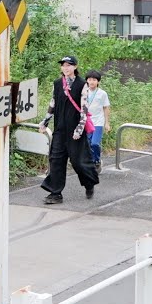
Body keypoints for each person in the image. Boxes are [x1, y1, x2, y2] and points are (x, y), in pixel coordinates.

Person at [38, 55, 100, 203]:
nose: (66, 68)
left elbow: (84, 108)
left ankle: (89, 183)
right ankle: (55, 193)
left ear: (75, 67)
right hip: (60, 129)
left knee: (79, 161)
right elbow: (52, 103)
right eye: (63, 65)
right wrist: (45, 121)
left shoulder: (82, 84)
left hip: (75, 130)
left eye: (69, 65)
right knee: (56, 160)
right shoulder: (57, 83)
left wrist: (79, 128)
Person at [81, 70, 111, 168]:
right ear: (87, 81)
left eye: (94, 80)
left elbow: (106, 108)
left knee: (95, 143)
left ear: (98, 81)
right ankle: (91, 161)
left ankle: (97, 160)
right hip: (87, 121)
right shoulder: (83, 92)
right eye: (89, 79)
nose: (92, 82)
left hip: (98, 121)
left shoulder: (102, 93)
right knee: (88, 143)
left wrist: (107, 123)